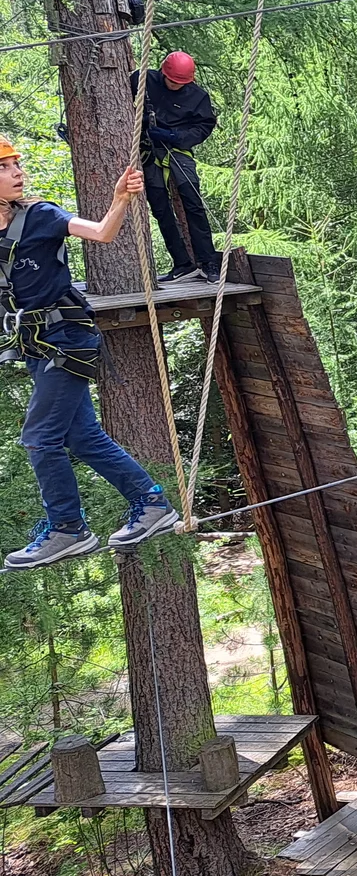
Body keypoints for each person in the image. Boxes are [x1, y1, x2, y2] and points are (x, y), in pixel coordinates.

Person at [0, 137, 182, 570]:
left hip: (67, 340)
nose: (18, 172)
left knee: (40, 436)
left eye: (17, 164)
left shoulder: (40, 217)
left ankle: (67, 528)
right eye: (6, 167)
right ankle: (152, 502)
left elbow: (101, 232)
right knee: (81, 436)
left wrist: (120, 200)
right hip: (36, 345)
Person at [132, 51, 220, 282]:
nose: (175, 86)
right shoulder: (142, 80)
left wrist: (174, 136)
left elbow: (203, 126)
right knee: (160, 206)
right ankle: (182, 262)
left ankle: (209, 261)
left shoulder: (197, 97)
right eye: (172, 81)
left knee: (192, 200)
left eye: (180, 83)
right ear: (163, 72)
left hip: (177, 148)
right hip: (148, 150)